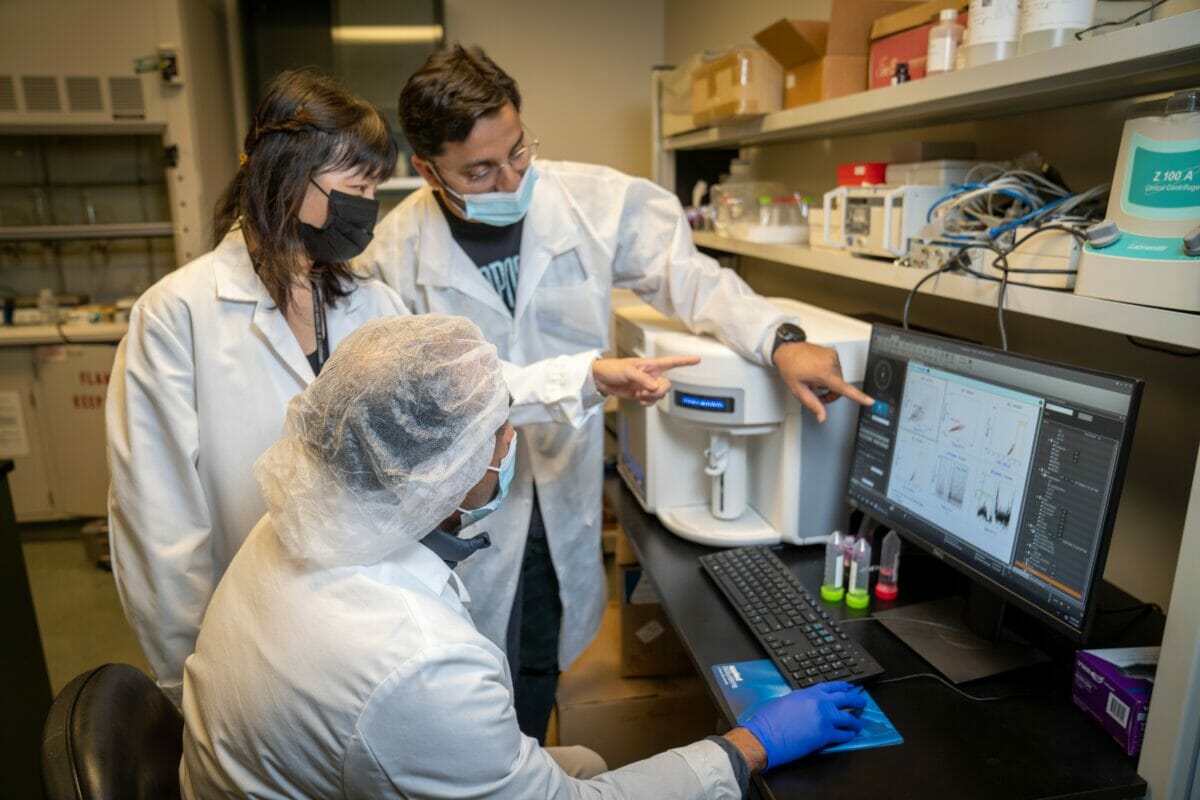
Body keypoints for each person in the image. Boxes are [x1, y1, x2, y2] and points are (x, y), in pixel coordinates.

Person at [356, 44, 875, 741]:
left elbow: (692, 279)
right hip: (462, 497)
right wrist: (578, 378)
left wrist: (780, 339)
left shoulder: (593, 201)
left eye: (518, 152)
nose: (511, 177)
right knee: (465, 670)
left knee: (537, 655)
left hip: (560, 483)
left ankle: (527, 766)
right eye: (480, 170)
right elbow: (423, 392)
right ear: (427, 170)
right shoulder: (394, 254)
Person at [180, 314, 867, 799]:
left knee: (588, 756)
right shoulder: (416, 661)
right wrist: (749, 747)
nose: (510, 442)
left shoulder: (289, 529)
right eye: (499, 429)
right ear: (446, 472)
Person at [105, 69, 409, 706]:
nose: (368, 208)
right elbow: (158, 518)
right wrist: (186, 671)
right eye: (356, 188)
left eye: (374, 189)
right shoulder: (178, 314)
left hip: (369, 621)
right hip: (240, 641)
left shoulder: (372, 302)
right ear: (288, 176)